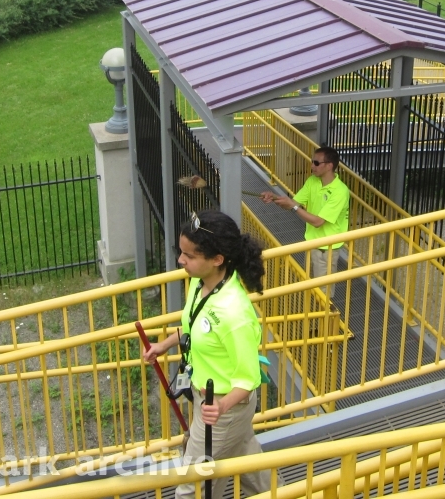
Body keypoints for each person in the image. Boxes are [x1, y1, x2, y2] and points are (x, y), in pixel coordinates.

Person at [142, 210, 271, 499]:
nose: (181, 260)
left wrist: (222, 408)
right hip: (211, 401)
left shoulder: (234, 314)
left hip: (223, 410)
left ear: (217, 260)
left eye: (189, 255)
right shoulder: (201, 284)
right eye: (181, 252)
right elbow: (193, 328)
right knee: (246, 461)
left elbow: (249, 378)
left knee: (192, 487)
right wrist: (163, 345)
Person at [261, 146, 349, 283]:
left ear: (329, 166)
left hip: (327, 248)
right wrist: (272, 197)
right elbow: (293, 202)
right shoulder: (312, 181)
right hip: (311, 243)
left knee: (323, 291)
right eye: (312, 161)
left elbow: (318, 222)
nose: (312, 166)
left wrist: (293, 206)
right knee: (311, 286)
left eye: (316, 163)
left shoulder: (340, 191)